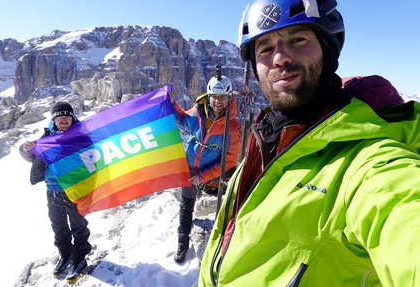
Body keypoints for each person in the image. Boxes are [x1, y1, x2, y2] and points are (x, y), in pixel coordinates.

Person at [199, 0, 420, 286]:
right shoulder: (265, 139)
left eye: (298, 39)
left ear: (328, 50)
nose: (280, 57)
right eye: (265, 48)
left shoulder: (368, 165)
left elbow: (403, 216)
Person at [170, 74, 241, 263]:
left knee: (225, 205)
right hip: (190, 168)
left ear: (229, 98)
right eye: (215, 96)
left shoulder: (232, 127)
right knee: (186, 206)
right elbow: (182, 118)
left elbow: (229, 161)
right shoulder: (197, 113)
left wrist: (202, 177)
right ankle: (182, 240)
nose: (218, 101)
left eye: (222, 97)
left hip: (210, 174)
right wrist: (171, 103)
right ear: (208, 96)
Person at [19, 102, 92, 283]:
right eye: (60, 117)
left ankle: (80, 258)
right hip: (52, 191)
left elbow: (93, 158)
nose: (64, 120)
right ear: (54, 119)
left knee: (78, 225)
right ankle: (65, 254)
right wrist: (25, 149)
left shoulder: (81, 136)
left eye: (67, 117)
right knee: (58, 226)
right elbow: (34, 157)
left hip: (75, 190)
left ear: (72, 118)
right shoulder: (47, 137)